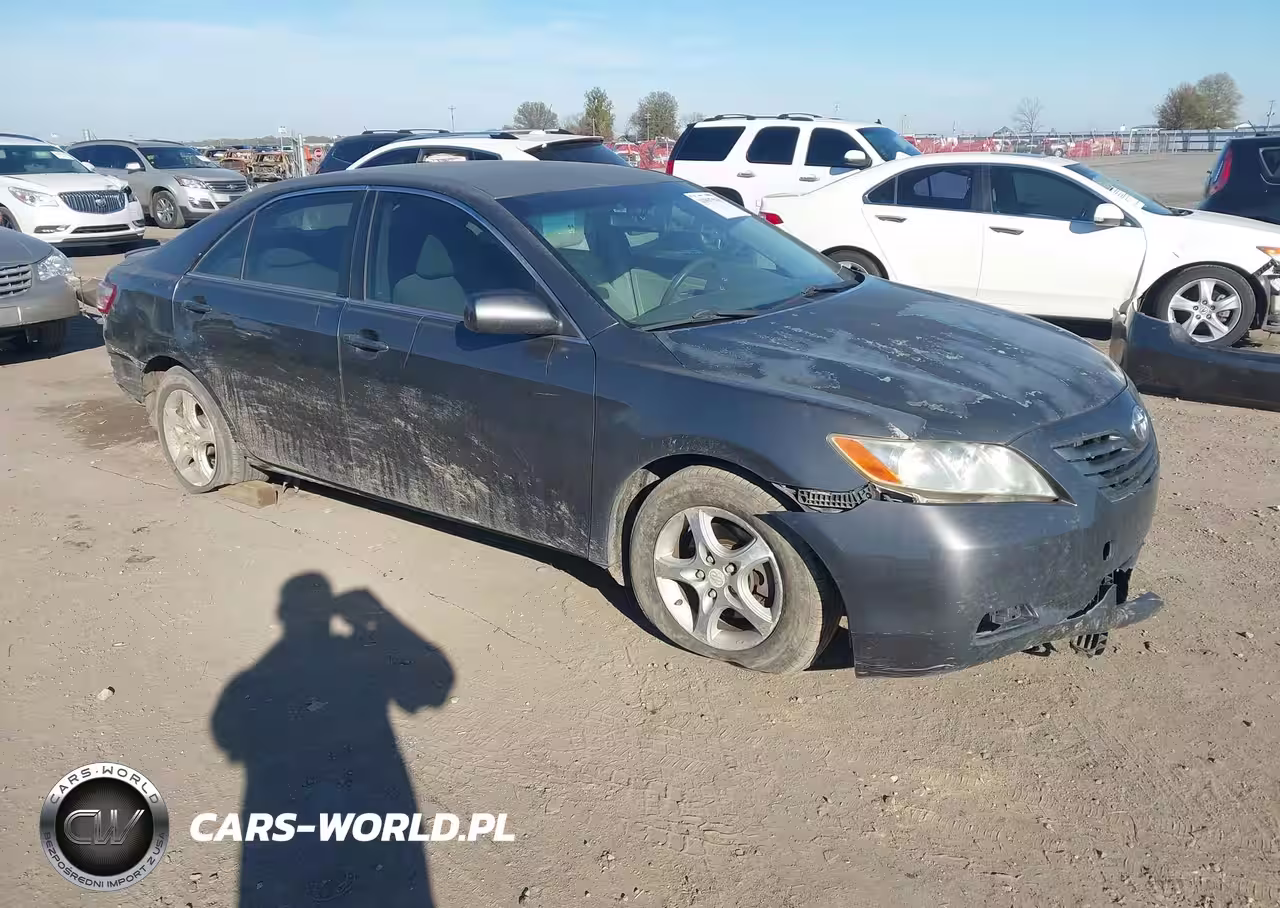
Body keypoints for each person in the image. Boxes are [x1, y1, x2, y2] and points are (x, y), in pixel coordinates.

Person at [212, 573, 454, 906]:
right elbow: (433, 687)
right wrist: (383, 620)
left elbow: (229, 737)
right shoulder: (353, 654)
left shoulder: (250, 681)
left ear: (282, 613)